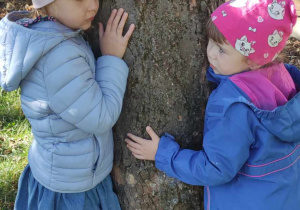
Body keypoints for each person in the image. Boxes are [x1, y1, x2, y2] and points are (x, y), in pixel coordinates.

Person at [125, 0, 300, 209]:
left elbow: (217, 168)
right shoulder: (282, 75)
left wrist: (163, 154)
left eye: (222, 50)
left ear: (253, 61)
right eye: (210, 42)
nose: (210, 53)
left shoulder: (232, 105)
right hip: (282, 196)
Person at [0, 0, 135, 209]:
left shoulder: (48, 37)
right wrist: (111, 59)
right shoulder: (59, 56)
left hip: (64, 174)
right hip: (71, 193)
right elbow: (101, 117)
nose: (93, 5)